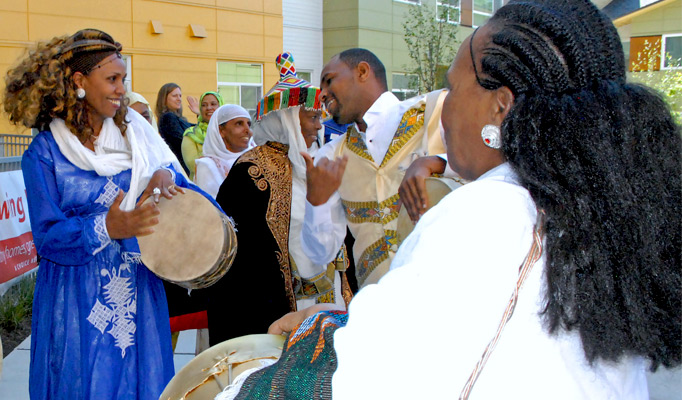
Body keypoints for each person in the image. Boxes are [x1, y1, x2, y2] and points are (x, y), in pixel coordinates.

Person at [226, 1, 682, 397]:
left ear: (500, 107)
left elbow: (364, 380)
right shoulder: (585, 204)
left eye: (454, 87)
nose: (446, 108)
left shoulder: (493, 214)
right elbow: (478, 334)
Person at [3, 29, 212, 400]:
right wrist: (108, 226)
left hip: (138, 292)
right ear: (79, 81)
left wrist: (164, 176)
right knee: (83, 384)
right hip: (75, 299)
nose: (121, 89)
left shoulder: (137, 137)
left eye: (123, 80)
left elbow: (175, 184)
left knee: (141, 383)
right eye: (112, 79)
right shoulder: (45, 153)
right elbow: (48, 236)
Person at [203, 52, 349, 347]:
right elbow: (240, 262)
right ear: (288, 119)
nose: (319, 126)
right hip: (278, 317)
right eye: (312, 117)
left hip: (327, 302)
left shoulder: (314, 164)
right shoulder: (250, 173)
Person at [301, 48, 448, 288]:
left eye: (329, 81)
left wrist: (436, 162)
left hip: (445, 293)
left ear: (362, 71)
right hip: (378, 309)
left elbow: (491, 166)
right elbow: (321, 254)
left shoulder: (434, 112)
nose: (323, 94)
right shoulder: (331, 155)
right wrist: (315, 204)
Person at [193, 104, 255, 198]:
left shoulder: (257, 159)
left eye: (249, 124)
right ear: (221, 131)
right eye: (239, 124)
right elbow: (213, 207)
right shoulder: (208, 166)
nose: (247, 130)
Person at [180, 91, 223, 179]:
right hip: (201, 186)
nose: (209, 107)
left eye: (213, 104)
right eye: (204, 105)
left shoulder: (229, 131)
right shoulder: (191, 134)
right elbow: (192, 164)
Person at [155, 83, 196, 173]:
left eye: (180, 96)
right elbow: (184, 140)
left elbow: (195, 129)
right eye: (174, 96)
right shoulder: (168, 117)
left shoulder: (178, 118)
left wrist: (199, 114)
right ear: (164, 99)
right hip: (182, 166)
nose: (179, 99)